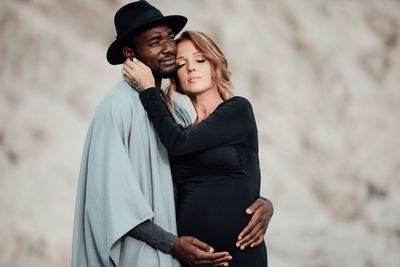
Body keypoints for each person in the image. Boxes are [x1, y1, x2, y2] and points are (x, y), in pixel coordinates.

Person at [71, 1, 273, 267]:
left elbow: (222, 177)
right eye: (156, 41)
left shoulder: (177, 113)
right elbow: (108, 197)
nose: (168, 47)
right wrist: (172, 243)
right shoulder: (117, 105)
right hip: (145, 254)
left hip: (205, 257)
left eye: (169, 38)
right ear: (130, 53)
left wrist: (265, 203)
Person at [122, 30, 268, 266]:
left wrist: (149, 91)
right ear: (176, 78)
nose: (191, 68)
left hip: (239, 255)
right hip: (191, 260)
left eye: (200, 60)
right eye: (181, 64)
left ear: (214, 64)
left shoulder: (237, 110)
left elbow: (179, 144)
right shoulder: (182, 127)